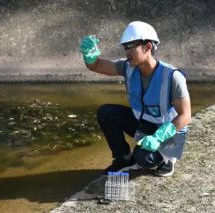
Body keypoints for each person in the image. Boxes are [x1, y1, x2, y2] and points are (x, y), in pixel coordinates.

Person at [79, 21, 191, 177]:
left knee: (143, 158)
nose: (127, 52)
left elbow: (185, 115)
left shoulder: (172, 76)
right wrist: (89, 56)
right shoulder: (128, 68)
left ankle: (168, 159)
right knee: (106, 113)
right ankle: (124, 159)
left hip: (168, 132)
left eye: (132, 46)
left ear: (148, 47)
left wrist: (159, 137)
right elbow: (97, 66)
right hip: (145, 124)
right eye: (126, 47)